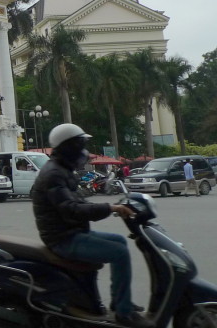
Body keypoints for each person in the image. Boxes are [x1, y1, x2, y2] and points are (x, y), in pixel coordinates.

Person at [30, 123, 153, 328]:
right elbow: (71, 209)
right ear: (70, 147)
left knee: (120, 241)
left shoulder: (62, 170)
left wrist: (113, 207)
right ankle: (124, 314)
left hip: (72, 232)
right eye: (80, 145)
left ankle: (119, 302)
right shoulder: (54, 174)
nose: (83, 151)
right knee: (119, 252)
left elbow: (78, 203)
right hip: (63, 239)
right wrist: (111, 208)